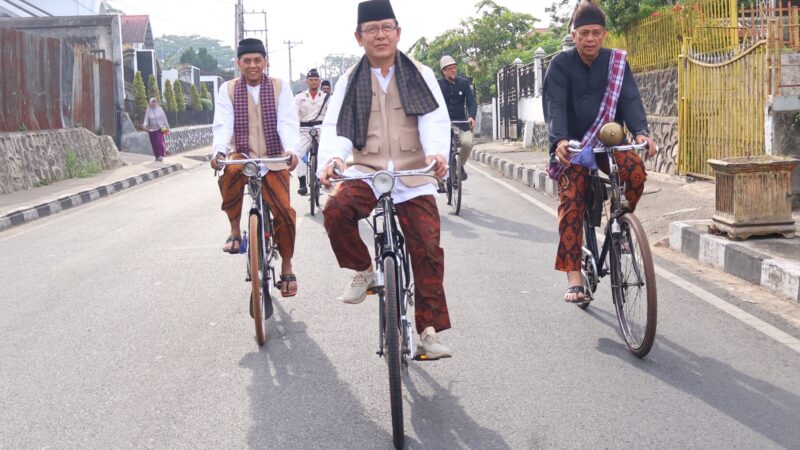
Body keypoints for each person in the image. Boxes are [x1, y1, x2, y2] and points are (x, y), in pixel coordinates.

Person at [317, 0, 453, 359]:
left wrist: (437, 153)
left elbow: (435, 120)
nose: (380, 35)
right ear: (358, 37)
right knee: (335, 210)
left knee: (426, 246)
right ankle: (363, 269)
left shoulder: (419, 73)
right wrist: (331, 159)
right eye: (372, 29)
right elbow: (335, 129)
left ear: (398, 32)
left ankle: (428, 331)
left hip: (413, 173)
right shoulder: (349, 80)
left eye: (387, 27)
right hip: (367, 171)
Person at [542, 0, 656, 303]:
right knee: (570, 199)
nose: (590, 39)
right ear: (574, 35)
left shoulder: (616, 62)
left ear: (604, 34)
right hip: (574, 146)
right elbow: (554, 105)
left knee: (635, 173)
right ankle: (574, 275)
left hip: (608, 142)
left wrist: (642, 132)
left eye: (595, 32)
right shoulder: (560, 65)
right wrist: (559, 141)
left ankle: (619, 220)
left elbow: (630, 98)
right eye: (583, 33)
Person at [210, 37, 301, 297]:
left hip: (273, 155)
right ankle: (235, 230)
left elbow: (287, 121)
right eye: (247, 61)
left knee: (284, 210)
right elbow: (223, 123)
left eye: (257, 60)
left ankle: (286, 264)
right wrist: (218, 152)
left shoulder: (280, 87)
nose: (252, 65)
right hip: (243, 153)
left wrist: (291, 150)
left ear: (266, 62)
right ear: (239, 63)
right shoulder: (227, 89)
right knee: (228, 175)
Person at [437, 55, 477, 182]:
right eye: (449, 69)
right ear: (443, 71)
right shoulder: (438, 85)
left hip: (461, 122)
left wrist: (471, 116)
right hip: (443, 124)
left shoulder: (464, 83)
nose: (453, 70)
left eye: (454, 68)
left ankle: (459, 167)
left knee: (467, 143)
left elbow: (471, 101)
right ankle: (441, 179)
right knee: (442, 150)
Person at [294, 68, 330, 195]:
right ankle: (302, 182)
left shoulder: (326, 97)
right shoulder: (299, 97)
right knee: (297, 154)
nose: (314, 82)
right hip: (304, 129)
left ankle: (324, 177)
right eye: (311, 80)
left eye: (316, 80)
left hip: (321, 128)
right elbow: (294, 115)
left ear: (319, 81)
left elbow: (331, 114)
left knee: (328, 153)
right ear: (306, 81)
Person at [142, 97, 169, 162]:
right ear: (150, 103)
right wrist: (144, 125)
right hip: (151, 130)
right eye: (152, 102)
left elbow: (164, 118)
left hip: (161, 128)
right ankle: (157, 156)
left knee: (159, 142)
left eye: (155, 102)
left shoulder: (160, 109)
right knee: (154, 144)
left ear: (156, 102)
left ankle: (160, 155)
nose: (154, 103)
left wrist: (167, 127)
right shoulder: (148, 110)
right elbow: (146, 119)